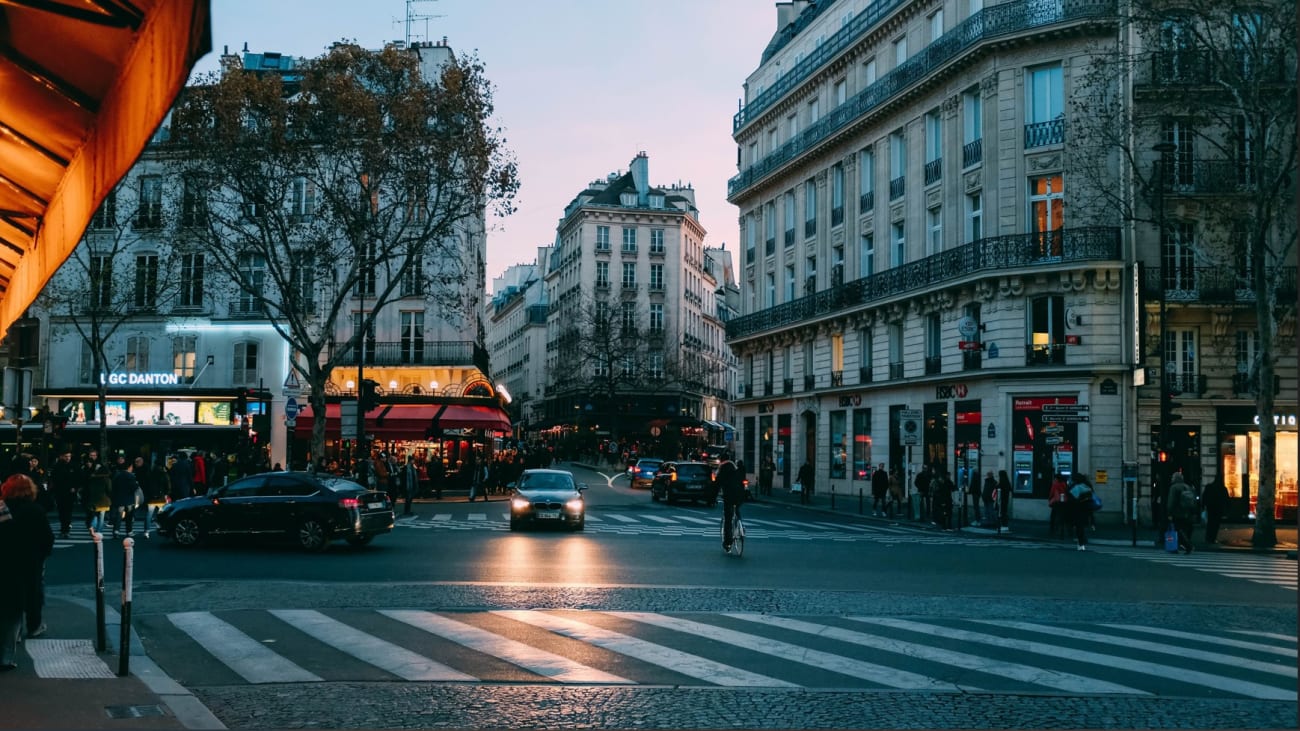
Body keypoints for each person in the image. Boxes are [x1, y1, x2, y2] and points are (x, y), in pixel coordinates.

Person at [0, 474, 55, 669]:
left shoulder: (1, 508)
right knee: (24, 601)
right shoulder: (35, 511)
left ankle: (9, 645)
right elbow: (47, 539)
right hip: (28, 563)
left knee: (6, 607)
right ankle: (7, 654)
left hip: (4, 563)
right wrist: (40, 557)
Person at [717, 452, 746, 551]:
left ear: (721, 460)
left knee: (728, 518)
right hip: (740, 495)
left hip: (729, 496)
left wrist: (712, 497)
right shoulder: (735, 467)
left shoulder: (723, 469)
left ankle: (728, 542)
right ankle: (742, 525)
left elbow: (717, 484)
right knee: (737, 509)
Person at [48, 447, 78, 538]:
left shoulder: (74, 466)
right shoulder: (57, 466)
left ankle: (66, 529)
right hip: (60, 492)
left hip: (70, 492)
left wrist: (75, 487)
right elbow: (54, 478)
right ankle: (64, 529)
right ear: (61, 457)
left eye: (69, 456)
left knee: (68, 511)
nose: (68, 458)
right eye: (66, 456)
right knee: (61, 511)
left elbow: (78, 477)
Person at [1165, 472, 1198, 554]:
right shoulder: (1187, 487)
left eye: (1173, 477)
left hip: (1177, 512)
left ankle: (1187, 545)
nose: (1171, 479)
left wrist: (1169, 512)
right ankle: (1184, 545)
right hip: (1187, 512)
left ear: (1176, 479)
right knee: (1183, 530)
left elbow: (1171, 501)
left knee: (1177, 530)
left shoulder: (1174, 487)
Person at [109, 458, 140, 537]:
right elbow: (134, 487)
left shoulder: (117, 475)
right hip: (129, 499)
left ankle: (116, 531)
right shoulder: (130, 476)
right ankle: (129, 531)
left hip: (119, 498)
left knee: (118, 516)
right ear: (129, 467)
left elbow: (113, 486)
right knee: (129, 516)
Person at [81, 464, 112, 533]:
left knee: (94, 515)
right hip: (103, 500)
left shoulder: (93, 478)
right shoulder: (107, 479)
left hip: (93, 500)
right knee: (101, 517)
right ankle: (99, 531)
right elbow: (109, 490)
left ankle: (92, 527)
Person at [1067, 475, 1094, 551]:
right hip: (1086, 509)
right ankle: (1083, 540)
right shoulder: (1087, 486)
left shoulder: (1076, 487)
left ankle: (1081, 542)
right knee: (1083, 525)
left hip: (1078, 509)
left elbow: (1071, 498)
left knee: (1079, 526)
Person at [1200, 474, 1229, 544]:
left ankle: (1208, 538)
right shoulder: (1223, 488)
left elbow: (1204, 497)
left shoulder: (1209, 487)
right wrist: (1227, 509)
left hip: (1210, 508)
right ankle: (1213, 538)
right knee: (1216, 524)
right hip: (1218, 509)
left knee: (1210, 523)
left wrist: (1203, 506)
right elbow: (1226, 500)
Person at [1048, 473, 1069, 538]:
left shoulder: (1055, 484)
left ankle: (1053, 529)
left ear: (1056, 478)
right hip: (1064, 501)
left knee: (1053, 515)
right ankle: (1062, 529)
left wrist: (1049, 498)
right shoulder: (1064, 484)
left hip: (1056, 502)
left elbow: (1051, 492)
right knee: (1062, 516)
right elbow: (1067, 491)